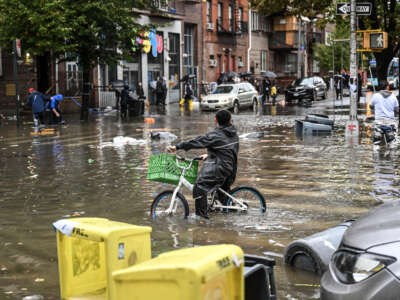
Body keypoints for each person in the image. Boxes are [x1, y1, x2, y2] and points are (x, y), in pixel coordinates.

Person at [167, 109, 239, 219]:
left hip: (221, 167)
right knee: (221, 194)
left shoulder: (216, 135)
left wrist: (177, 147)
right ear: (230, 121)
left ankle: (201, 218)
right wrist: (210, 155)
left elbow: (196, 141)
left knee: (200, 185)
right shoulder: (233, 133)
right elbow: (227, 150)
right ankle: (227, 211)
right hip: (231, 168)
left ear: (215, 120)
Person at [370, 80, 399, 146]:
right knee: (392, 145)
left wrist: (375, 110)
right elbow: (397, 110)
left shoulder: (375, 96)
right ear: (387, 87)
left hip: (378, 123)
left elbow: (371, 106)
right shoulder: (393, 96)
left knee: (376, 144)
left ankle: (377, 155)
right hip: (390, 123)